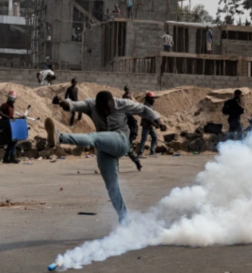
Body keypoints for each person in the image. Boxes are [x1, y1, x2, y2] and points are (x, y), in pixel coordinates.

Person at [46, 91, 167, 224]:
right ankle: (125, 220)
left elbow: (143, 109)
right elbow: (73, 105)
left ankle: (60, 137)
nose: (106, 113)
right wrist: (61, 101)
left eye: (108, 109)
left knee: (94, 138)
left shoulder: (122, 104)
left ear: (112, 104)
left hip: (120, 141)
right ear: (97, 105)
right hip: (104, 149)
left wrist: (159, 121)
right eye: (102, 110)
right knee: (112, 186)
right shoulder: (90, 104)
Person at [0, 91, 20, 164]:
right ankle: (11, 157)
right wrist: (6, 117)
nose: (14, 101)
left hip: (10, 125)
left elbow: (11, 117)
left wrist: (19, 118)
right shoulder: (5, 105)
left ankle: (6, 158)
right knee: (13, 140)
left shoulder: (11, 106)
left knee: (12, 141)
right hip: (5, 125)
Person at [137, 92, 159, 158]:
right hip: (146, 124)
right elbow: (147, 118)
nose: (153, 100)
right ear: (148, 98)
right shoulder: (146, 106)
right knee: (144, 139)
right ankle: (140, 153)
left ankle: (152, 152)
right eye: (152, 98)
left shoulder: (150, 105)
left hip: (150, 124)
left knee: (154, 137)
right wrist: (155, 124)